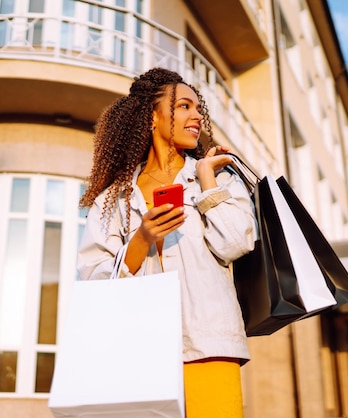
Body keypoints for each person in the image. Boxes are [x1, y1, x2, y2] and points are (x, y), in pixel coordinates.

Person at [77, 67, 257, 417]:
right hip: (138, 350)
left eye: (197, 107)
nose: (197, 116)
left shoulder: (218, 175)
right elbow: (94, 277)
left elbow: (236, 244)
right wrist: (142, 239)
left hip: (208, 345)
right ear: (153, 117)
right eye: (184, 106)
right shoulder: (114, 198)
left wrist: (207, 182)